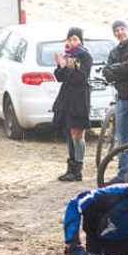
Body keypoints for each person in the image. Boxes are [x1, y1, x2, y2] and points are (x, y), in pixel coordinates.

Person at [52, 27, 93, 182]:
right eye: (69, 39)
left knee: (78, 134)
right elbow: (60, 77)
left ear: (80, 40)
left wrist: (67, 66)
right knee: (69, 133)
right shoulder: (68, 55)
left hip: (80, 99)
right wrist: (61, 65)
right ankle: (70, 168)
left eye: (75, 39)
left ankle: (78, 170)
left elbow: (80, 77)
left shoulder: (85, 56)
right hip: (67, 98)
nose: (71, 42)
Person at [102, 19, 128, 182]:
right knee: (122, 138)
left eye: (122, 29)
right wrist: (122, 70)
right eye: (116, 31)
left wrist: (118, 70)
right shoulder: (114, 52)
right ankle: (124, 174)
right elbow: (107, 73)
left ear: (127, 29)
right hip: (121, 98)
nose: (119, 32)